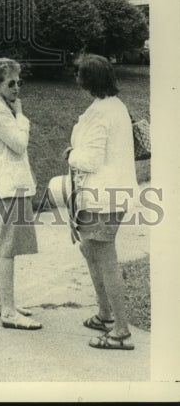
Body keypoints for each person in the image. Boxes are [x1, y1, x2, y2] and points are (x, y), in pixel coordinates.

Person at [66, 53, 138, 350]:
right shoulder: (115, 106)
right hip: (111, 193)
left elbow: (91, 159)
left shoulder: (101, 112)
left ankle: (120, 330)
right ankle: (106, 314)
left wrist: (71, 154)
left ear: (85, 80)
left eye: (79, 74)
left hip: (103, 196)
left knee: (105, 258)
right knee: (88, 248)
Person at [0, 57, 41, 330]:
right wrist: (22, 117)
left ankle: (3, 303)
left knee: (0, 247)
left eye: (19, 82)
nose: (17, 88)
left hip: (2, 184)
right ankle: (9, 312)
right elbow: (18, 144)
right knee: (6, 249)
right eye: (11, 83)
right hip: (7, 187)